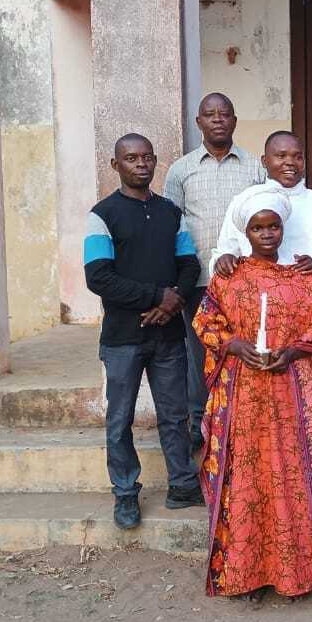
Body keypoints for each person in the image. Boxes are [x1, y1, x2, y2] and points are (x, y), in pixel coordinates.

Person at [193, 192, 312, 600]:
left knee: (295, 474)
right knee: (248, 475)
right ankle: (246, 573)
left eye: (273, 226)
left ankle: (297, 572)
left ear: (283, 228)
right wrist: (233, 345)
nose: (267, 234)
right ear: (244, 231)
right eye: (257, 228)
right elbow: (205, 320)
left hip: (293, 390)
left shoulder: (303, 279)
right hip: (244, 394)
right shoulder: (227, 278)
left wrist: (295, 350)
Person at [213, 132, 312, 503]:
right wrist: (224, 260)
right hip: (258, 335)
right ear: (265, 161)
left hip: (311, 332)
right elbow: (224, 253)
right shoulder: (247, 203)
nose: (289, 163)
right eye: (280, 156)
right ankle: (270, 494)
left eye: (296, 155)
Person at [84, 134, 203, 530]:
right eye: (131, 158)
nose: (141, 164)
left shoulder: (170, 212)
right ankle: (125, 493)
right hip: (122, 338)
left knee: (175, 414)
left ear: (155, 162)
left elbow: (189, 264)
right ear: (115, 165)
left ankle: (183, 486)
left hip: (168, 335)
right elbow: (98, 277)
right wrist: (157, 297)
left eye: (147, 157)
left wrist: (174, 301)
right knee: (120, 419)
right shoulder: (102, 215)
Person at [163, 92, 265, 455]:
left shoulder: (255, 167)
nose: (218, 119)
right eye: (210, 114)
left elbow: (265, 221)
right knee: (199, 354)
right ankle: (199, 423)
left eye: (225, 113)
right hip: (198, 281)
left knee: (242, 352)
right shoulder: (181, 170)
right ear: (199, 123)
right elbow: (169, 226)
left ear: (235, 121)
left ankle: (236, 421)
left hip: (244, 282)